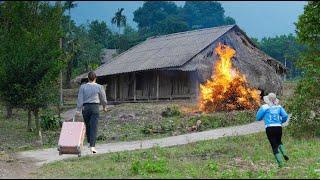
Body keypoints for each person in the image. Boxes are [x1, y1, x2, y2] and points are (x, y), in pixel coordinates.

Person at [76, 71, 108, 154]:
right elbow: (103, 98)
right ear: (95, 78)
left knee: (88, 125)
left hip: (85, 108)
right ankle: (92, 146)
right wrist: (104, 106)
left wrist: (78, 110)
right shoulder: (99, 87)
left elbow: (80, 99)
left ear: (88, 78)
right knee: (94, 126)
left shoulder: (82, 87)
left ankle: (90, 143)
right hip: (95, 108)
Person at [256, 92, 289, 167]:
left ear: (267, 99)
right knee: (279, 141)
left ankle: (280, 164)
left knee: (274, 145)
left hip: (269, 128)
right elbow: (285, 116)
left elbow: (258, 118)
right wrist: (281, 121)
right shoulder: (279, 107)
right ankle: (284, 154)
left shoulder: (264, 107)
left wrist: (263, 117)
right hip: (278, 127)